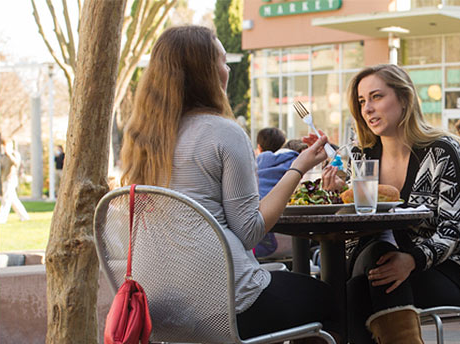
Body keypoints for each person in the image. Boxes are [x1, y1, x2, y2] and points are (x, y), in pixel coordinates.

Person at [118, 25, 338, 341]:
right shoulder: (223, 132)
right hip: (227, 308)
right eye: (222, 61)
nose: (227, 70)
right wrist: (298, 168)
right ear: (205, 72)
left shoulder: (142, 139)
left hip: (162, 311)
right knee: (331, 299)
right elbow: (249, 230)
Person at [313, 64, 460, 344]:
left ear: (404, 99)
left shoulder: (441, 151)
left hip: (440, 269)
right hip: (373, 264)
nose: (367, 108)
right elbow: (355, 227)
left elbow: (456, 228)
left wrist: (412, 260)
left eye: (376, 97)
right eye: (361, 101)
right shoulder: (361, 156)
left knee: (358, 288)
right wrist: (337, 196)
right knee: (372, 268)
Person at [254, 127, 297, 260]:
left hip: (260, 243)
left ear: (259, 147)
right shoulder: (296, 162)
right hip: (295, 242)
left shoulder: (253, 167)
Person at [0, 138, 29, 224]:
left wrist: (9, 154)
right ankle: (24, 216)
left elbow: (16, 163)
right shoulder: (2, 156)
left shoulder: (15, 154)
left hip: (11, 179)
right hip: (4, 179)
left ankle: (1, 219)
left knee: (6, 199)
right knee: (13, 200)